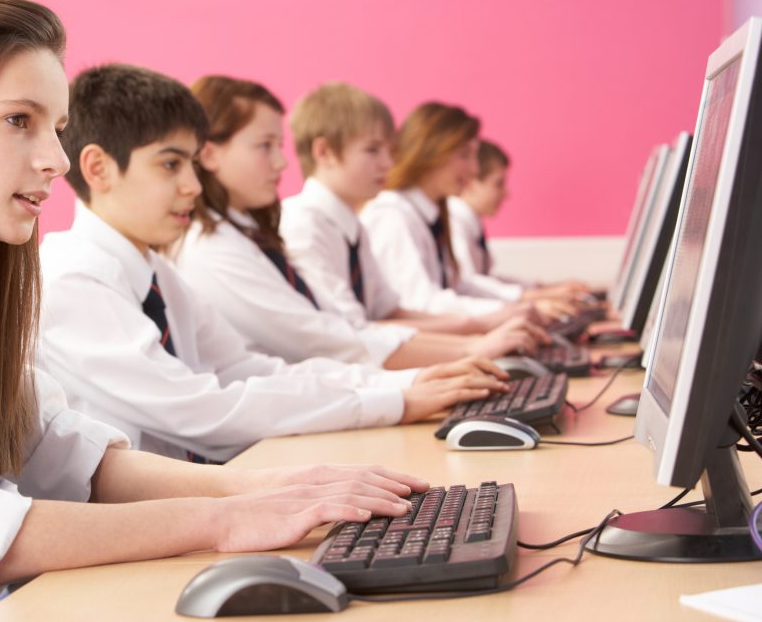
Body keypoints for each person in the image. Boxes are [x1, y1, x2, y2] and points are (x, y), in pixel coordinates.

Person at [0, 0, 429, 620]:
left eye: (57, 127)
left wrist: (270, 487)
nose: (57, 160)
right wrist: (223, 520)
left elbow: (70, 458)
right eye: (20, 121)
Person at [38, 63, 509, 465]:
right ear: (98, 169)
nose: (194, 186)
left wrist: (405, 384)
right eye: (170, 165)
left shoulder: (158, 275)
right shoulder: (74, 278)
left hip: (201, 495)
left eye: (190, 165)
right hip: (135, 530)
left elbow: (250, 368)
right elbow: (203, 413)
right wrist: (391, 400)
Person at [176, 75, 545, 369]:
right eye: (373, 150)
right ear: (325, 152)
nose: (281, 163)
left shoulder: (338, 226)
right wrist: (473, 342)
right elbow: (333, 339)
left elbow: (381, 316)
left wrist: (475, 337)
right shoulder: (296, 227)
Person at [360, 101, 578, 318]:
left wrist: (526, 301)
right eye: (464, 155)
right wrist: (515, 310)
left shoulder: (429, 216)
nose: (474, 169)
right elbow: (422, 303)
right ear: (430, 152)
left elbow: (457, 286)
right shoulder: (392, 217)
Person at [449, 139, 589, 302]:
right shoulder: (454, 224)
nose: (506, 194)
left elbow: (486, 281)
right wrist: (537, 296)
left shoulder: (470, 222)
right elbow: (469, 284)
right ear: (470, 182)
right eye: (498, 184)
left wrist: (544, 288)